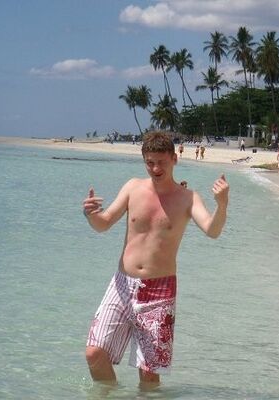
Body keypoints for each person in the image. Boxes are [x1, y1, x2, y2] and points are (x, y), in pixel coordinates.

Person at [82, 131, 229, 388]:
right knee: (94, 353)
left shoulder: (188, 198)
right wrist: (90, 214)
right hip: (122, 284)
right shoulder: (132, 187)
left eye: (161, 162)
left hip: (159, 291)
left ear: (174, 159)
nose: (156, 168)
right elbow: (103, 224)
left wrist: (222, 205)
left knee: (149, 373)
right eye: (150, 162)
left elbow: (212, 230)